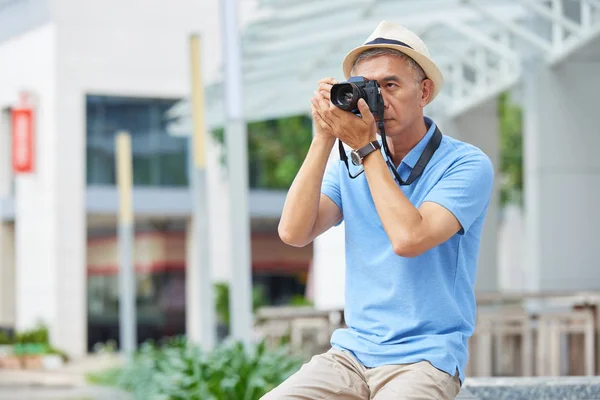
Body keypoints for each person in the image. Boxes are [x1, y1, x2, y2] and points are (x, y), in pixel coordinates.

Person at [264, 20, 494, 400]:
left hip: (426, 359)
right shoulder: (349, 162)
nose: (378, 101)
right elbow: (293, 232)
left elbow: (409, 238)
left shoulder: (465, 165)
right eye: (367, 89)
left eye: (391, 85)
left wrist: (367, 149)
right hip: (352, 354)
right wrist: (323, 138)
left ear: (424, 92)